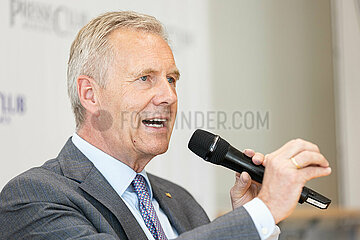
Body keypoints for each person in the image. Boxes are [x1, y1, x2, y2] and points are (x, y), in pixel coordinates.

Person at [0, 11, 331, 240]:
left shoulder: (181, 201)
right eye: (146, 78)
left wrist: (247, 223)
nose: (169, 96)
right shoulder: (33, 197)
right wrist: (261, 211)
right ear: (90, 94)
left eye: (172, 79)